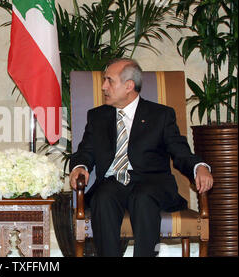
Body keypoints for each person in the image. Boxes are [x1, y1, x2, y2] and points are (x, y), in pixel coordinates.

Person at [69, 58, 213, 257]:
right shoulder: (97, 117)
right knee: (103, 197)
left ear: (129, 86)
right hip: (114, 182)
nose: (103, 87)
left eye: (109, 81)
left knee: (143, 197)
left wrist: (199, 167)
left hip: (152, 184)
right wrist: (80, 166)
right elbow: (85, 151)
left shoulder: (160, 115)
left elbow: (180, 151)